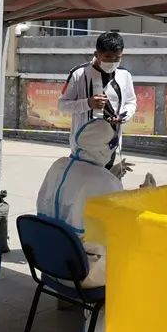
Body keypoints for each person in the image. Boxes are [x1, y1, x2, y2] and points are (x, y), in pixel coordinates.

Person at [37, 119, 123, 290]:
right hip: (82, 273)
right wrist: (144, 193)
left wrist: (108, 176)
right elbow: (122, 224)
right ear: (103, 149)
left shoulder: (58, 165)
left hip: (48, 263)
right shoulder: (104, 180)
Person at [57, 31, 136, 173]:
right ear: (96, 54)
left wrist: (124, 116)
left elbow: (131, 102)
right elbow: (62, 105)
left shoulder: (125, 75)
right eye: (107, 57)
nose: (112, 62)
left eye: (117, 58)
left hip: (111, 146)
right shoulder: (79, 74)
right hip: (84, 148)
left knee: (110, 184)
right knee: (84, 185)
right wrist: (88, 103)